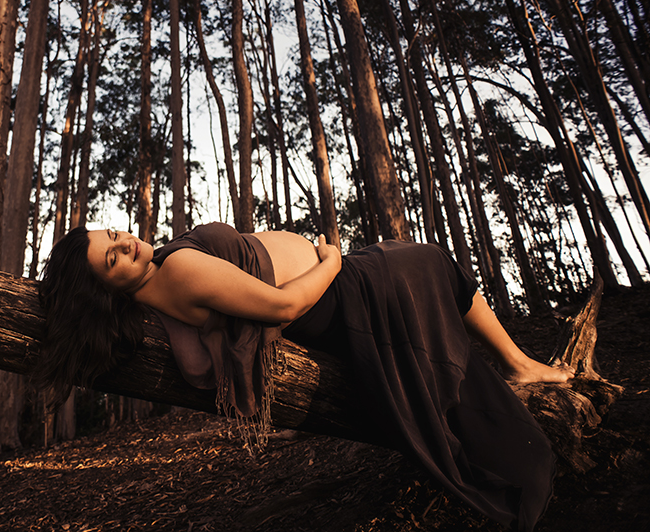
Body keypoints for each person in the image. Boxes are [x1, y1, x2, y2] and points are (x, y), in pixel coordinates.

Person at [35, 222, 572, 531]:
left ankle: (517, 365)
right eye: (113, 257)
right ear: (108, 289)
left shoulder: (155, 291)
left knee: (428, 262)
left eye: (112, 233)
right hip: (347, 290)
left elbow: (198, 363)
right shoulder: (175, 271)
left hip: (342, 292)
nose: (125, 241)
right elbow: (284, 304)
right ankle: (518, 364)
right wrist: (334, 259)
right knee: (431, 260)